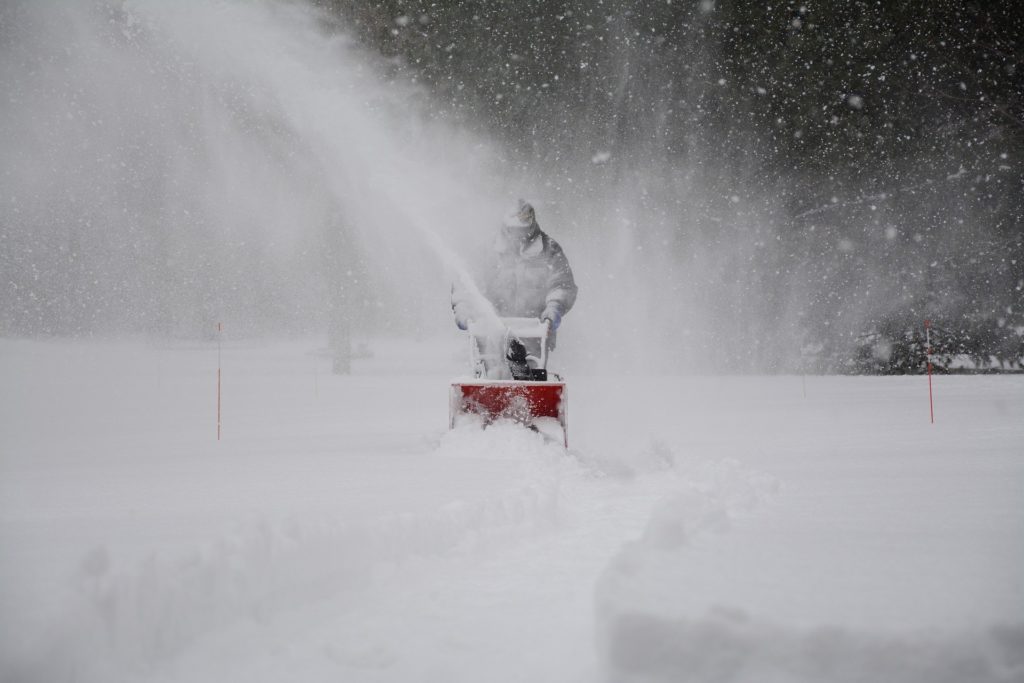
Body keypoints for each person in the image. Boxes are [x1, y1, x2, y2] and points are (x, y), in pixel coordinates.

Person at [452, 199, 578, 354]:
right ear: (505, 227)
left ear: (531, 226)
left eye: (523, 231)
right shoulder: (487, 251)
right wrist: (464, 308)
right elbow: (466, 284)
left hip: (535, 333)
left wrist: (554, 308)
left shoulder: (549, 250)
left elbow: (561, 284)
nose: (519, 236)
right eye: (514, 230)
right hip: (491, 332)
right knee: (493, 371)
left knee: (531, 372)